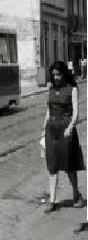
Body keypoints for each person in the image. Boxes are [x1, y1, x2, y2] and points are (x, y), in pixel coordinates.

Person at [42, 60, 85, 212]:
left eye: (58, 74)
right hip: (51, 130)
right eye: (53, 75)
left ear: (64, 74)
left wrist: (71, 126)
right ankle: (52, 200)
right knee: (52, 166)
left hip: (66, 129)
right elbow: (49, 110)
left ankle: (76, 195)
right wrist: (43, 129)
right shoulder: (51, 89)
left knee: (69, 165)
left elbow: (76, 112)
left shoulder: (72, 89)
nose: (56, 78)